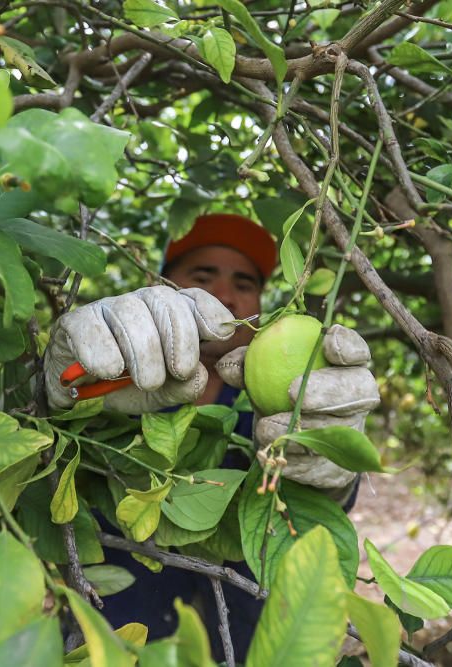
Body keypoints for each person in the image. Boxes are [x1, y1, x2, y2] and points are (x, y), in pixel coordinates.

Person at [44, 213, 380, 659]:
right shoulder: (116, 397)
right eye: (203, 277)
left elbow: (317, 511)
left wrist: (334, 464)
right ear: (163, 286)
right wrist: (61, 392)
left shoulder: (271, 405)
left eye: (244, 284)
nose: (225, 295)